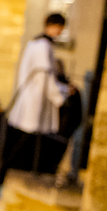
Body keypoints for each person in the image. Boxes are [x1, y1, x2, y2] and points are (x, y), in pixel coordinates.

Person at [7, 13, 69, 173]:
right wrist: (61, 94)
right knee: (31, 137)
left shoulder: (35, 43)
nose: (61, 32)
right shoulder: (42, 46)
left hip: (32, 96)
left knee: (28, 134)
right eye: (60, 28)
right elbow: (44, 78)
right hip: (35, 99)